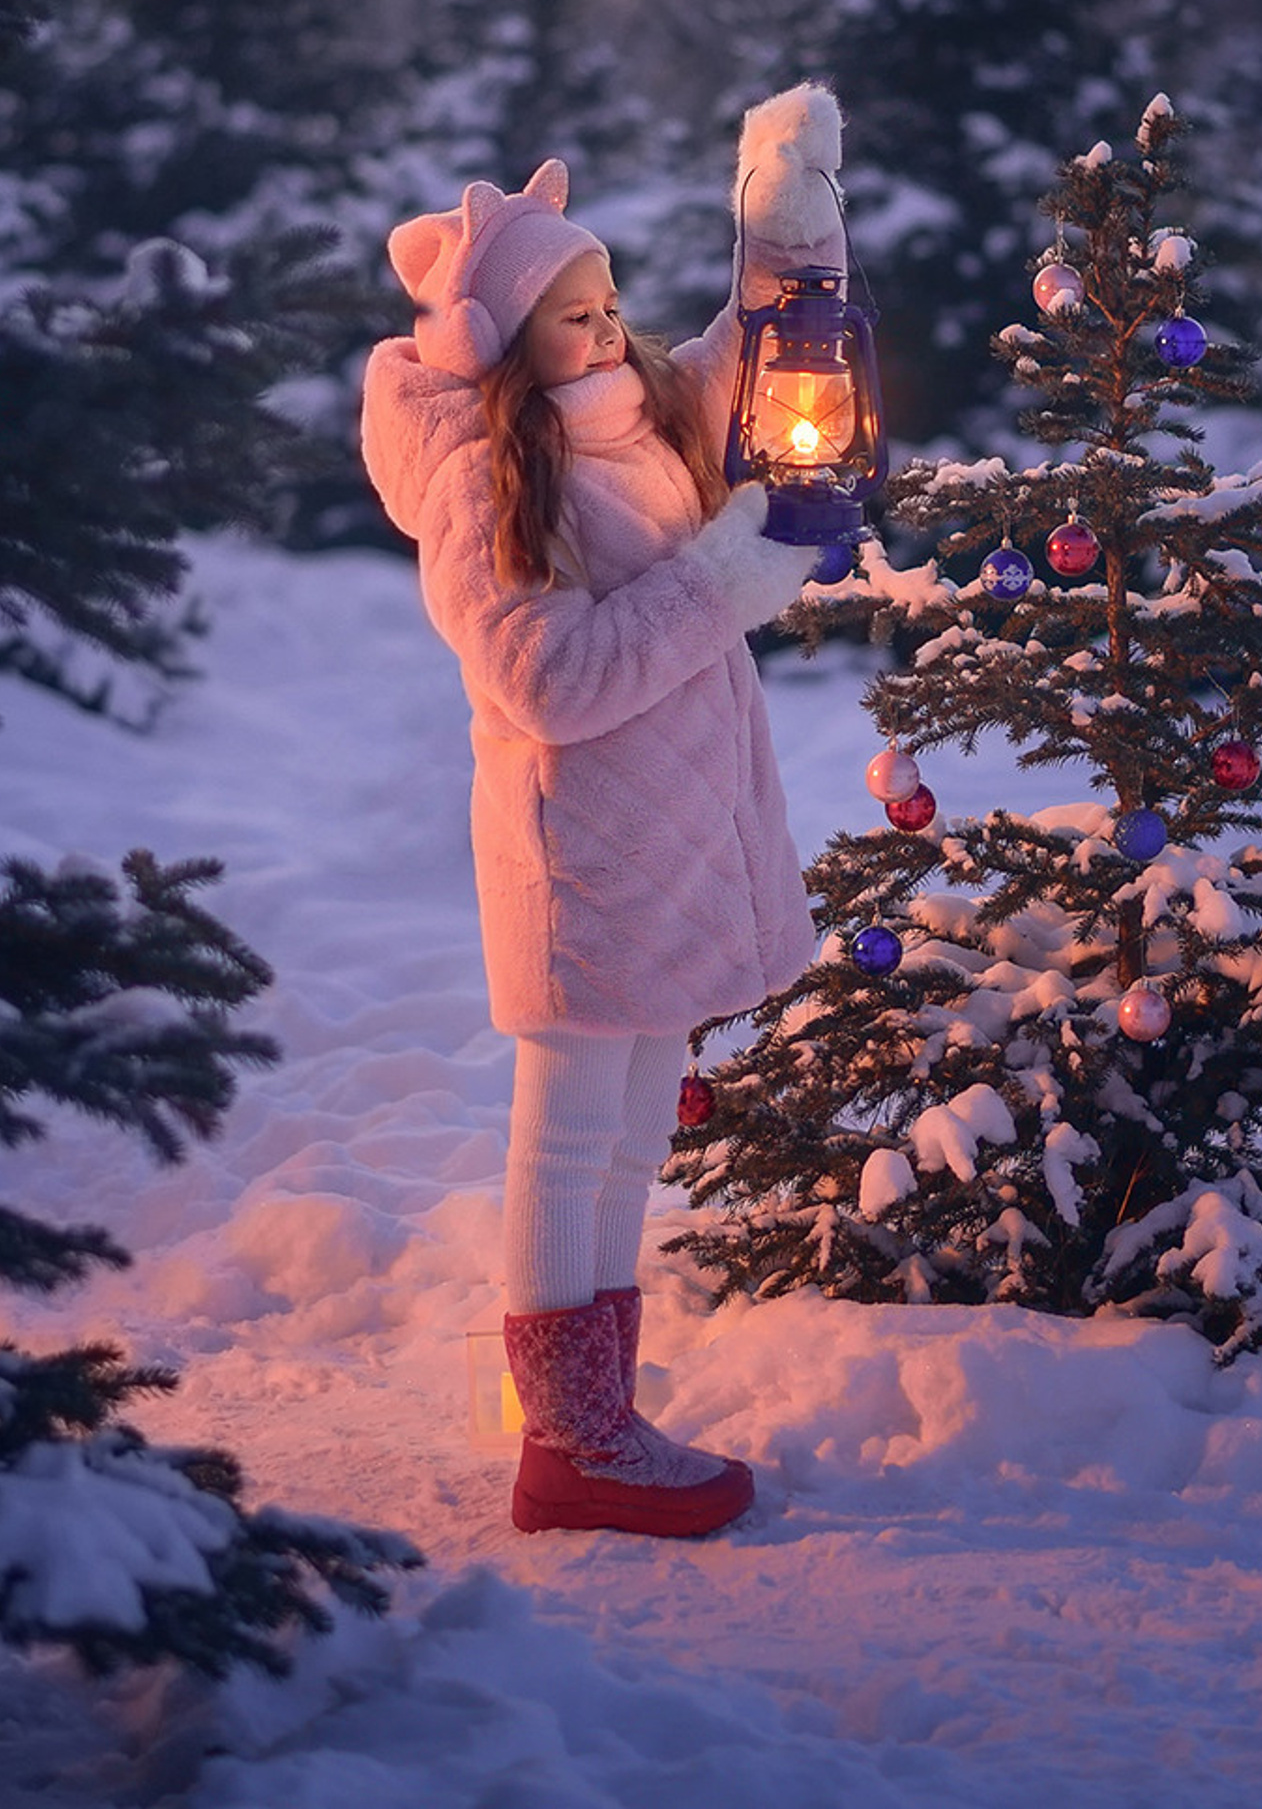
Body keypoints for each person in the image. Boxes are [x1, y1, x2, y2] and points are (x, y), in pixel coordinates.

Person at [360, 85, 846, 1537]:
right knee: (570, 1137)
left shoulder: (629, 411)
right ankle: (567, 1444)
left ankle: (598, 1419)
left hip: (672, 845)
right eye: (576, 315)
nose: (611, 326)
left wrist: (779, 216)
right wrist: (727, 582)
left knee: (632, 1135)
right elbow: (548, 680)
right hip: (585, 865)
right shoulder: (484, 487)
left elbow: (738, 360)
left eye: (609, 296)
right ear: (507, 347)